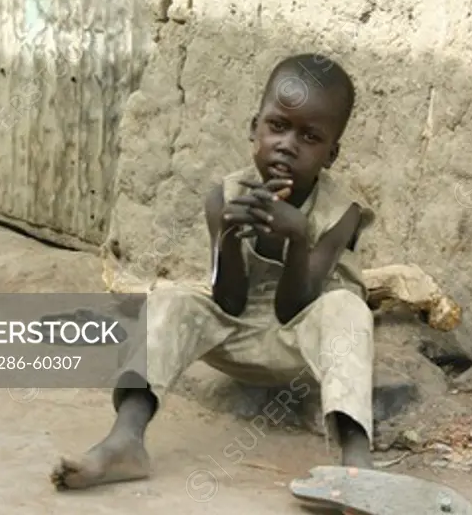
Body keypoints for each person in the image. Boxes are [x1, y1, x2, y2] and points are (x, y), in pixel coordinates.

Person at [52, 53, 375, 491]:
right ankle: (125, 440)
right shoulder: (224, 196)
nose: (287, 144)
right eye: (277, 126)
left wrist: (298, 239)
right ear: (253, 128)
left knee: (350, 310)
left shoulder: (342, 212)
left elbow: (295, 308)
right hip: (235, 334)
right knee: (171, 300)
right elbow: (228, 303)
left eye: (310, 136)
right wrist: (227, 236)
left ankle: (356, 464)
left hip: (299, 346)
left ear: (331, 154)